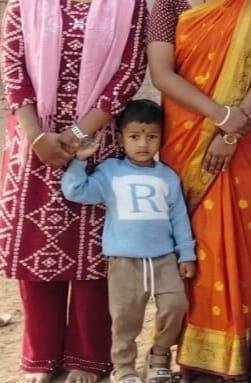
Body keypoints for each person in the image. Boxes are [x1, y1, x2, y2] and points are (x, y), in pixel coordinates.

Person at [0, 0, 149, 383]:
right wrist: (36, 137)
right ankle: (43, 358)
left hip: (97, 143)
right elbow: (13, 65)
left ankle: (87, 359)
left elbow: (130, 70)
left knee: (95, 254)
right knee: (35, 254)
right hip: (35, 143)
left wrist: (80, 131)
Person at [148, 0, 251, 382]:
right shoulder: (171, 2)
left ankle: (244, 355)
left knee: (242, 243)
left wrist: (233, 129)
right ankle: (195, 356)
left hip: (245, 139)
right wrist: (221, 117)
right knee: (194, 247)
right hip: (188, 140)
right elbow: (162, 74)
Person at [61, 99, 197, 383]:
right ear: (121, 137)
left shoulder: (168, 176)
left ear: (161, 137)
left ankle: (159, 354)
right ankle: (123, 367)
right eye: (134, 136)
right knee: (125, 317)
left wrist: (186, 254)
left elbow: (179, 217)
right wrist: (80, 160)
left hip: (164, 259)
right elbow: (76, 191)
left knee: (176, 306)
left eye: (152, 136)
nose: (143, 144)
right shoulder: (110, 171)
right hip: (124, 261)